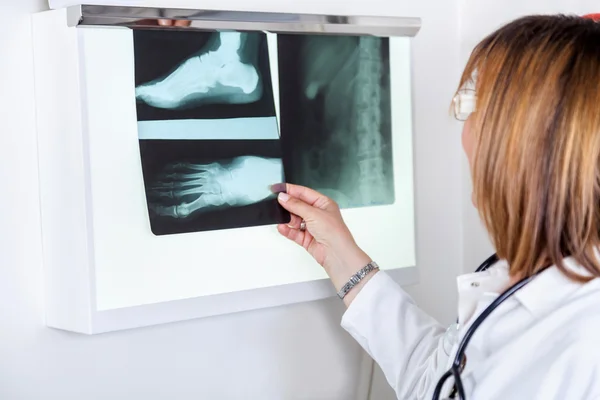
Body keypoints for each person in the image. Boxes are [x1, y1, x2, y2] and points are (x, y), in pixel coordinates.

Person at [273, 14, 600, 400]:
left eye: (473, 108)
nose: (464, 133)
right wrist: (341, 255)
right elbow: (439, 380)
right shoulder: (524, 278)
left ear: (521, 140)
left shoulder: (587, 345)